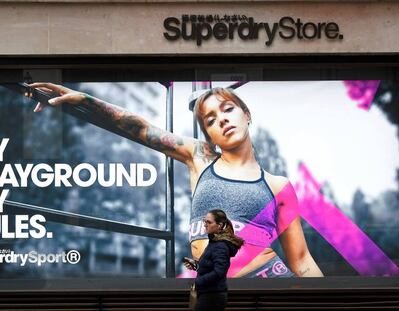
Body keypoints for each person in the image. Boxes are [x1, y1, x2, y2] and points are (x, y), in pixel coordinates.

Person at [29, 83, 323, 278]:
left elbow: (302, 261)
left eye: (228, 109)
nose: (221, 119)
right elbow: (137, 126)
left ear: (246, 115)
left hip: (267, 281)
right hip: (211, 289)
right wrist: (82, 99)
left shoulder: (277, 185)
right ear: (209, 135)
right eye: (209, 120)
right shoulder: (200, 157)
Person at [183, 209, 243, 311]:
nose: (205, 224)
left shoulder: (220, 245)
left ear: (219, 225)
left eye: (209, 222)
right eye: (204, 221)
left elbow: (219, 271)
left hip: (212, 296)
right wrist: (196, 265)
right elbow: (210, 266)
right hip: (209, 294)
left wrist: (198, 282)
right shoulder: (214, 242)